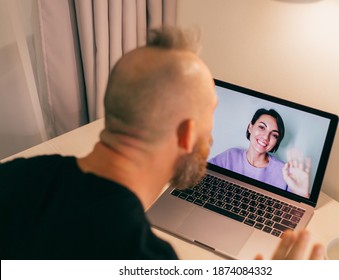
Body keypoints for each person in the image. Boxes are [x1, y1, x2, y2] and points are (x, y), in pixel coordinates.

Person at [0, 27, 322, 260]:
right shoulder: (145, 258)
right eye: (211, 113)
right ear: (186, 134)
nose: (211, 137)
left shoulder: (17, 174)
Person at [209, 108, 311, 198]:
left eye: (274, 135)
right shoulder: (230, 155)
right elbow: (202, 176)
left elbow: (295, 211)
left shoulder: (285, 172)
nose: (266, 137)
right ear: (250, 127)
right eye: (262, 127)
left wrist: (303, 195)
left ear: (277, 141)